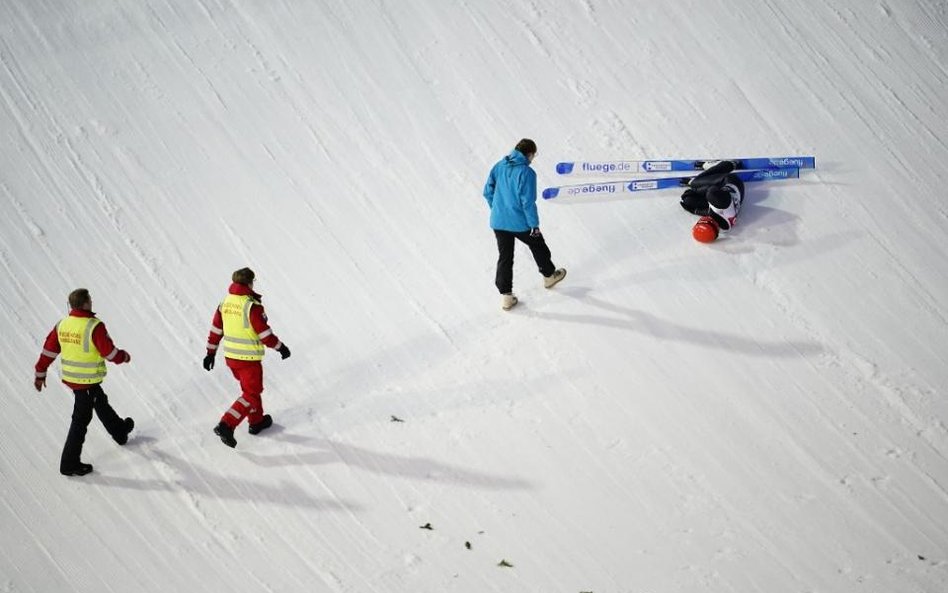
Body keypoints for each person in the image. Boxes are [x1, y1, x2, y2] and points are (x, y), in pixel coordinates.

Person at [33, 289, 135, 476]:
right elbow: (109, 353)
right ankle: (69, 464)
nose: (92, 301)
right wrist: (124, 356)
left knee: (100, 401)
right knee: (80, 420)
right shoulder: (94, 326)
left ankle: (120, 431)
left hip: (75, 379)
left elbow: (48, 351)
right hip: (86, 381)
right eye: (90, 299)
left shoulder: (62, 325)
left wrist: (40, 373)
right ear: (85, 303)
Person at [203, 267, 290, 448]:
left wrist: (210, 353)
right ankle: (226, 424)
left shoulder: (225, 303)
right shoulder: (251, 306)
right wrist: (281, 348)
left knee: (251, 391)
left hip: (231, 359)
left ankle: (256, 422)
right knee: (250, 394)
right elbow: (265, 335)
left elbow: (216, 330)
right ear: (249, 282)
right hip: (248, 360)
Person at [482, 138, 566, 310]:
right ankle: (549, 276)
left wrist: (497, 208)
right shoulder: (527, 173)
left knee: (505, 257)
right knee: (538, 245)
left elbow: (487, 191)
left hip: (498, 222)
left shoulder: (499, 166)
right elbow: (527, 202)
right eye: (533, 155)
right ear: (528, 154)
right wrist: (534, 225)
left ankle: (506, 296)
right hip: (520, 223)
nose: (533, 159)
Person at [679, 160, 746, 243]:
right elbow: (712, 189)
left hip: (735, 194)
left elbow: (711, 212)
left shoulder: (724, 226)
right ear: (705, 221)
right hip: (731, 181)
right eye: (700, 222)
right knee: (695, 183)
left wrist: (694, 210)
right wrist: (694, 190)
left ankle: (697, 184)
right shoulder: (718, 202)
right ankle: (729, 164)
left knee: (689, 201)